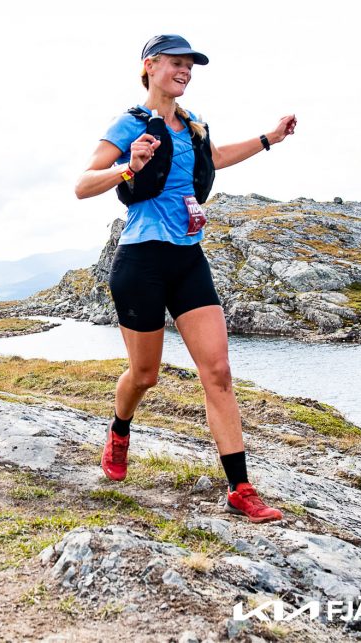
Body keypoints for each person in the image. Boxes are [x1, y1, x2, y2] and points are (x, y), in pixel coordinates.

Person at [75, 35, 296, 524]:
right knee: (146, 374)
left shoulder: (192, 126)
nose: (186, 71)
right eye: (177, 64)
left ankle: (240, 488)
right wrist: (126, 168)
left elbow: (212, 159)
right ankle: (119, 429)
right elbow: (82, 184)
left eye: (190, 66)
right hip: (141, 261)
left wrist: (268, 139)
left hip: (188, 259)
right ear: (150, 66)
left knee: (217, 372)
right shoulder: (130, 123)